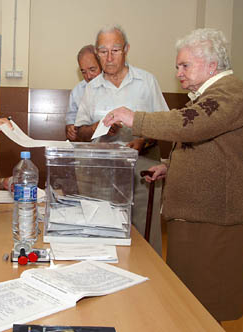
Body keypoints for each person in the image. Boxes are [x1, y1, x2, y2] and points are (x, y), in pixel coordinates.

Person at [103, 28, 243, 322]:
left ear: (212, 65)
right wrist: (169, 168)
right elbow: (213, 149)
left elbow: (188, 125)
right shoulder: (208, 96)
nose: (179, 73)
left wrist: (134, 118)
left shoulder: (229, 93)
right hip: (199, 216)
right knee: (186, 301)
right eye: (177, 66)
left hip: (215, 220)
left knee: (206, 306)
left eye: (185, 65)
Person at [75, 24, 169, 255]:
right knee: (104, 234)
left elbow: (165, 125)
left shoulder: (146, 82)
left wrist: (143, 140)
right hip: (102, 174)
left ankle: (150, 284)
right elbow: (80, 131)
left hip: (142, 171)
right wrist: (100, 129)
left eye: (115, 50)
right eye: (103, 51)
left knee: (145, 236)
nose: (108, 57)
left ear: (126, 49)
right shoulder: (92, 88)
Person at [65, 45, 102, 141]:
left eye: (92, 70)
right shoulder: (77, 91)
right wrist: (70, 130)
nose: (88, 76)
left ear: (102, 64)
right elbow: (70, 121)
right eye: (83, 72)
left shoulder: (116, 86)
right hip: (87, 148)